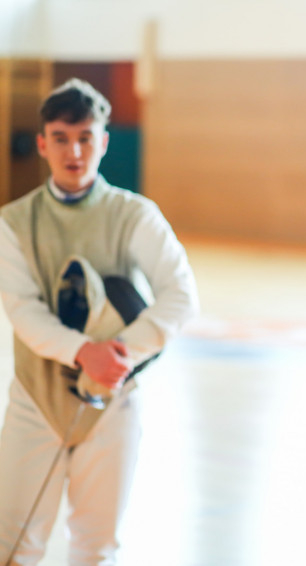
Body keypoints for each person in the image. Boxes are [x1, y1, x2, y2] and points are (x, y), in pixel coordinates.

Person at [0, 78, 199, 564]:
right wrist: (83, 352)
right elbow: (24, 311)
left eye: (85, 138)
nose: (74, 151)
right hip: (36, 399)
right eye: (61, 138)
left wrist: (118, 355)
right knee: (13, 545)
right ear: (43, 143)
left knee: (96, 547)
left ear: (104, 142)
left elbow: (180, 295)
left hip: (112, 401)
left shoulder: (135, 215)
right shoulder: (13, 222)